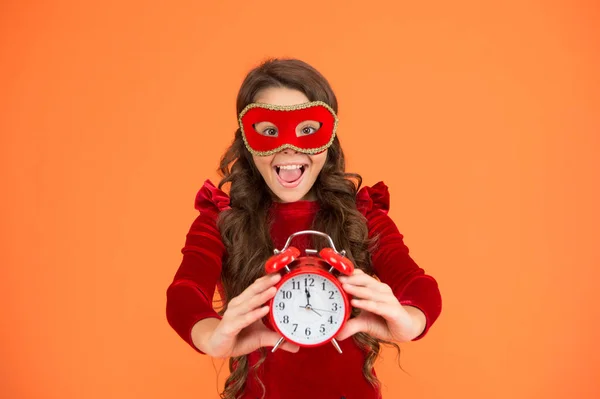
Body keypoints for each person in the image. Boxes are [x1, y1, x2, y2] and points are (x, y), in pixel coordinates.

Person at [166, 58, 442, 399]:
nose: (289, 147)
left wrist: (411, 320)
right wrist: (211, 335)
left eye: (307, 130)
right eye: (269, 131)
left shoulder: (363, 216)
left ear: (329, 139)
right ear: (247, 142)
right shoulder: (221, 220)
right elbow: (185, 291)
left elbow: (417, 283)